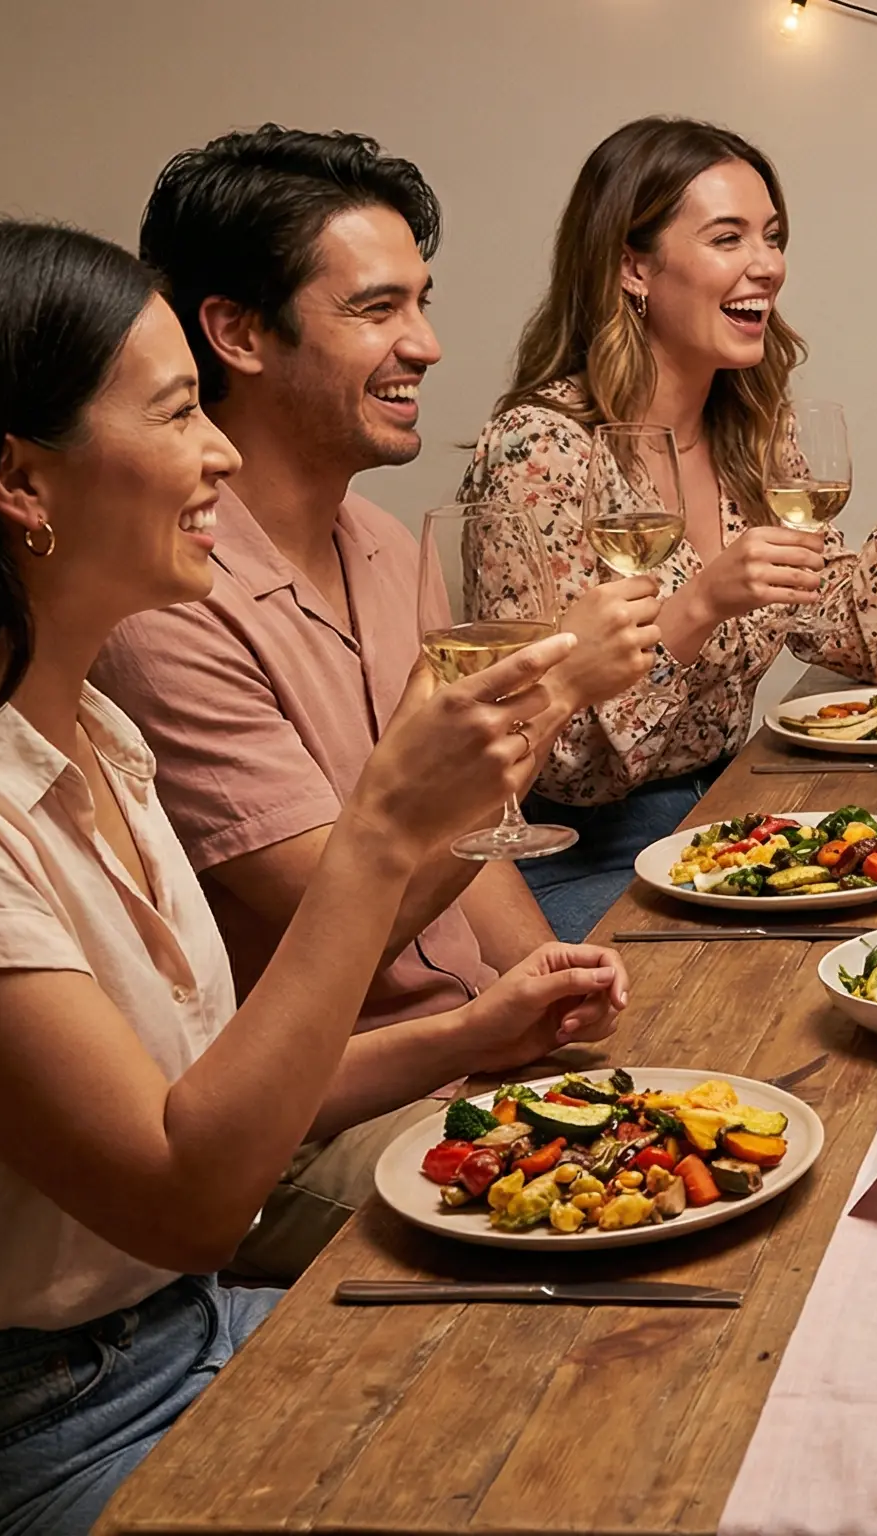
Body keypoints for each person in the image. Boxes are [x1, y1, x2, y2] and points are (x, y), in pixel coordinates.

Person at [0, 213, 605, 1535]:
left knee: (594, 1389)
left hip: (168, 1337)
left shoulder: (93, 730)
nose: (218, 454)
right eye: (181, 415)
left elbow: (206, 1095)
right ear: (22, 483)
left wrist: (478, 1030)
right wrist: (379, 836)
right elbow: (191, 1198)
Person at [89, 128, 650, 1280]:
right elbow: (340, 921)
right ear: (238, 332)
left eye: (423, 305)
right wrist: (551, 693)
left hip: (476, 1051)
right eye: (378, 310)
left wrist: (552, 1004)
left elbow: (475, 832)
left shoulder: (390, 545)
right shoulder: (165, 607)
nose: (427, 346)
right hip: (319, 1127)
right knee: (633, 1237)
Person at [459, 115, 877, 940]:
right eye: (728, 238)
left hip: (732, 812)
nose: (768, 264)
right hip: (583, 855)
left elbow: (858, 637)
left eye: (773, 236)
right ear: (633, 266)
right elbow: (547, 748)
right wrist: (699, 605)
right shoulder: (541, 452)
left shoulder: (753, 431)